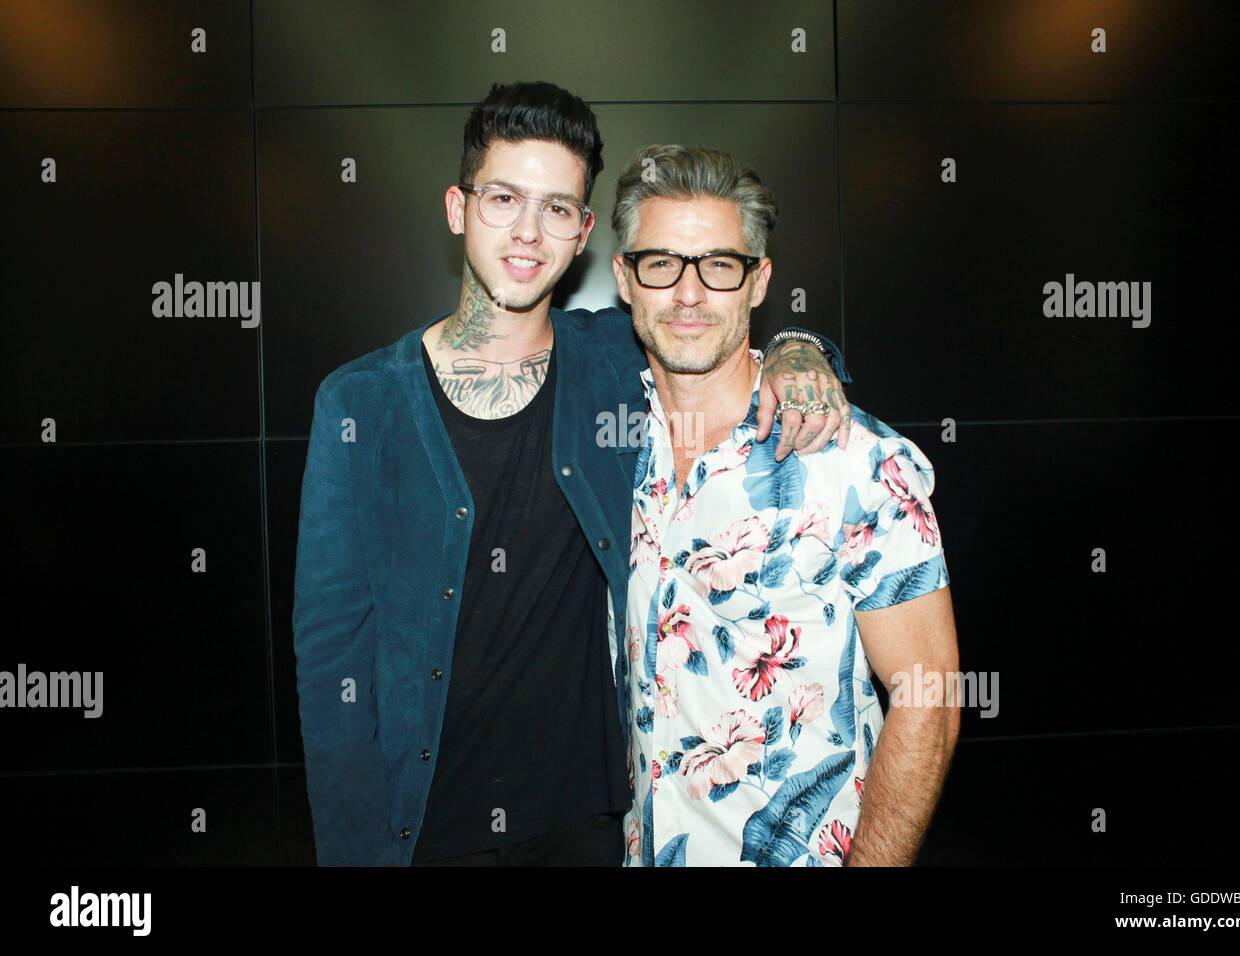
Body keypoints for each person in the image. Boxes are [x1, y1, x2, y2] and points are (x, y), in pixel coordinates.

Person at [291, 81, 852, 866]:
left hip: (589, 822)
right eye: (503, 199)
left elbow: (712, 322)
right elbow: (330, 655)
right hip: (423, 827)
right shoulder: (360, 402)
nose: (527, 231)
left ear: (584, 231)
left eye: (556, 208)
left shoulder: (614, 360)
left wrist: (802, 346)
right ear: (458, 208)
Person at [610, 144, 960, 867]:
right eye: (661, 264)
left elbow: (931, 700)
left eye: (719, 265)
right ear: (624, 278)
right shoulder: (607, 442)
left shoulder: (860, 463)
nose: (688, 293)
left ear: (758, 280)